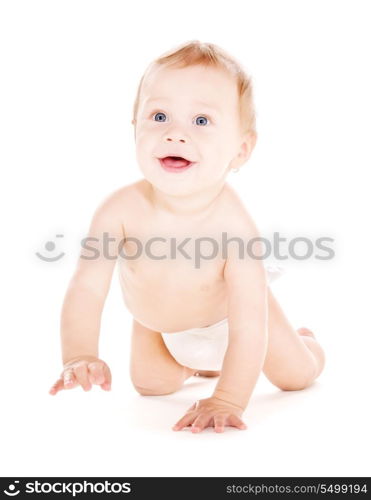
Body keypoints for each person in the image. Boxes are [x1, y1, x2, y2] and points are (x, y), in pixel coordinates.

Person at [49, 40, 325, 433]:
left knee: (297, 375)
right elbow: (87, 289)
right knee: (150, 386)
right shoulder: (118, 210)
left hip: (234, 319)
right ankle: (200, 362)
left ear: (241, 149)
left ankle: (307, 343)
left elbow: (249, 325)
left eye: (201, 121)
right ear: (135, 127)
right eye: (159, 116)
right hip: (162, 325)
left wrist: (227, 399)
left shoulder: (234, 226)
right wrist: (79, 354)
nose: (175, 134)